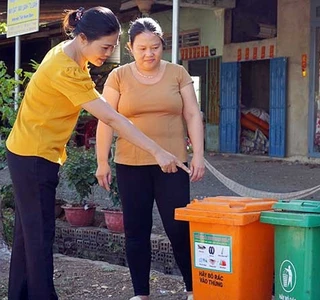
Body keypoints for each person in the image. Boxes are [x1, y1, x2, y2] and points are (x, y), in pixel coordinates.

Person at [6, 7, 189, 300]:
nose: (108, 54)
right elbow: (112, 118)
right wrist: (157, 150)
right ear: (82, 38)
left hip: (30, 152)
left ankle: (19, 294)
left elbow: (105, 108)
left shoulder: (69, 57)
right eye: (104, 47)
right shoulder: (65, 69)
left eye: (112, 47)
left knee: (28, 236)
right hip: (33, 157)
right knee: (39, 235)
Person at [95, 17, 205, 300]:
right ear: (130, 47)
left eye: (154, 47)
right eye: (142, 48)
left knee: (178, 228)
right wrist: (102, 161)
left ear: (162, 46)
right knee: (136, 230)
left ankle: (193, 289)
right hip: (130, 165)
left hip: (173, 164)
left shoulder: (178, 73)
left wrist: (199, 156)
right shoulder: (118, 76)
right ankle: (141, 293)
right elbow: (106, 120)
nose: (149, 54)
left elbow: (192, 114)